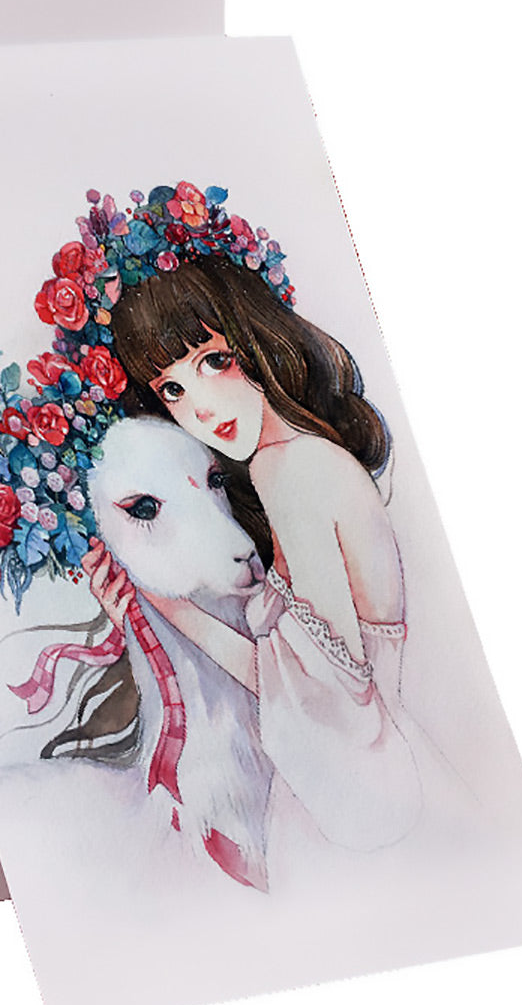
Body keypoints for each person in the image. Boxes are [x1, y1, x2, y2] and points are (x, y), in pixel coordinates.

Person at [83, 251, 423, 850]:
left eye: (215, 361)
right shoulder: (288, 462)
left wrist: (162, 604)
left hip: (348, 795)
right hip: (358, 780)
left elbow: (322, 697)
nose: (201, 408)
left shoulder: (290, 469)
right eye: (173, 390)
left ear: (255, 337)